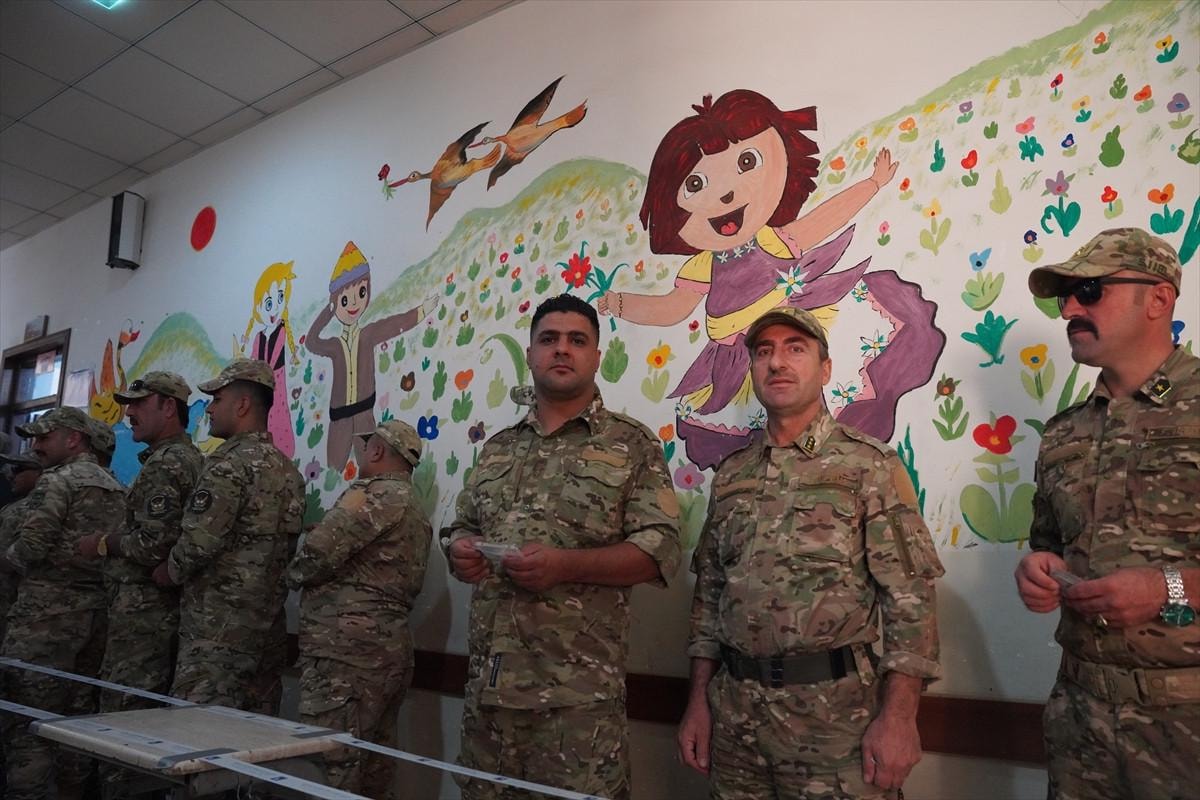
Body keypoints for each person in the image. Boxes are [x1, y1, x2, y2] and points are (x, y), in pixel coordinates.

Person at [598, 89, 942, 470]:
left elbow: (824, 219)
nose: (725, 194)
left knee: (816, 405)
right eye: (695, 185)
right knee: (757, 440)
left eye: (747, 162)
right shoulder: (701, 267)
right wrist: (619, 303)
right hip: (738, 358)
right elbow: (671, 308)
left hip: (793, 331)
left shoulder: (772, 240)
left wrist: (872, 184)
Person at [679, 306, 943, 800]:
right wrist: (697, 703)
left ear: (825, 369)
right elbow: (708, 601)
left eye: (795, 349)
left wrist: (900, 718)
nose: (777, 362)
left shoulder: (869, 465)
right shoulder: (732, 475)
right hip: (735, 721)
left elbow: (910, 599)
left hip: (836, 724)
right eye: (764, 352)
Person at [444, 294, 682, 799]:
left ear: (597, 357)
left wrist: (565, 566)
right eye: (548, 339)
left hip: (577, 708)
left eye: (577, 340)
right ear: (531, 353)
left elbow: (658, 550)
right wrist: (461, 548)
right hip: (489, 697)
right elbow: (462, 525)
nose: (562, 349)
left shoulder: (631, 445)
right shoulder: (498, 448)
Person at [1014, 228, 1199, 800]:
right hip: (1079, 721)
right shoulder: (1063, 433)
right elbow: (1048, 544)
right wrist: (1039, 568)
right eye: (1065, 297)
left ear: (1158, 299)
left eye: (1090, 290)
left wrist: (1167, 588)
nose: (1070, 308)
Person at [287, 419, 431, 797]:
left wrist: (290, 573)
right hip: (388, 651)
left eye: (366, 447)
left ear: (378, 450)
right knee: (373, 767)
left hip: (345, 655)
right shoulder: (413, 506)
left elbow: (317, 553)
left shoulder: (369, 494)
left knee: (328, 764)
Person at [154, 359, 305, 711]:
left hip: (216, 634)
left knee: (197, 733)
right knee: (249, 736)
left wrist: (168, 571)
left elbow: (197, 543)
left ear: (243, 405)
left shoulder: (227, 465)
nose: (209, 409)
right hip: (266, 633)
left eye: (217, 400)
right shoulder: (289, 472)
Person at [1, 407, 125, 800]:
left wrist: (6, 560)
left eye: (44, 437)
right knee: (76, 721)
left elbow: (32, 546)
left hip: (45, 617)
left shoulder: (57, 480)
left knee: (26, 718)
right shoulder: (116, 484)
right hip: (96, 616)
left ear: (73, 439)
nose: (36, 446)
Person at [78, 372, 204, 713]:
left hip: (144, 617)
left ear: (169, 408)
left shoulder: (167, 463)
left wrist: (103, 543)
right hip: (153, 616)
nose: (129, 413)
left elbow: (154, 543)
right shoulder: (186, 458)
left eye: (138, 404)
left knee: (125, 715)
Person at [306, 241, 436, 471]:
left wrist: (422, 311)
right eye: (344, 299)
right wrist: (327, 313)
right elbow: (312, 342)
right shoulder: (335, 346)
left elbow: (394, 324)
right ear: (335, 303)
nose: (354, 303)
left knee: (370, 468)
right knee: (333, 468)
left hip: (364, 415)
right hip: (339, 419)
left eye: (361, 292)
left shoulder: (368, 335)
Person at [240, 261, 300, 458]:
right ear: (258, 308)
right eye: (268, 304)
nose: (275, 309)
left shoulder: (283, 331)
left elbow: (272, 363)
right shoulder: (259, 337)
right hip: (263, 392)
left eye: (280, 298)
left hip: (277, 387)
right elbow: (254, 363)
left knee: (278, 420)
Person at [0, 451, 44, 643]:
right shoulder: (15, 506)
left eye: (18, 469)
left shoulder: (34, 509)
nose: (11, 475)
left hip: (17, 603)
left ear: (40, 473)